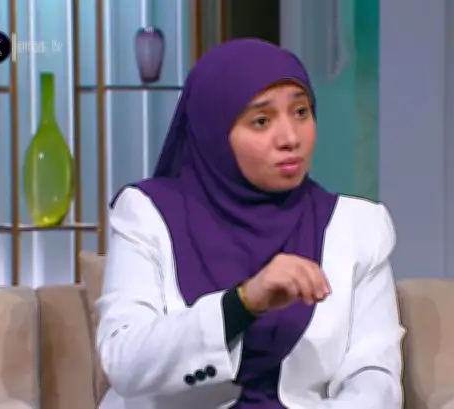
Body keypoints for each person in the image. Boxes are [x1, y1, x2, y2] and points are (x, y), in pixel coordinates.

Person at [96, 38, 404, 409]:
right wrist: (242, 303)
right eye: (261, 121)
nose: (290, 138)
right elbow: (124, 360)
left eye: (301, 112)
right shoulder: (147, 213)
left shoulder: (358, 226)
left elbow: (374, 374)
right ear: (214, 131)